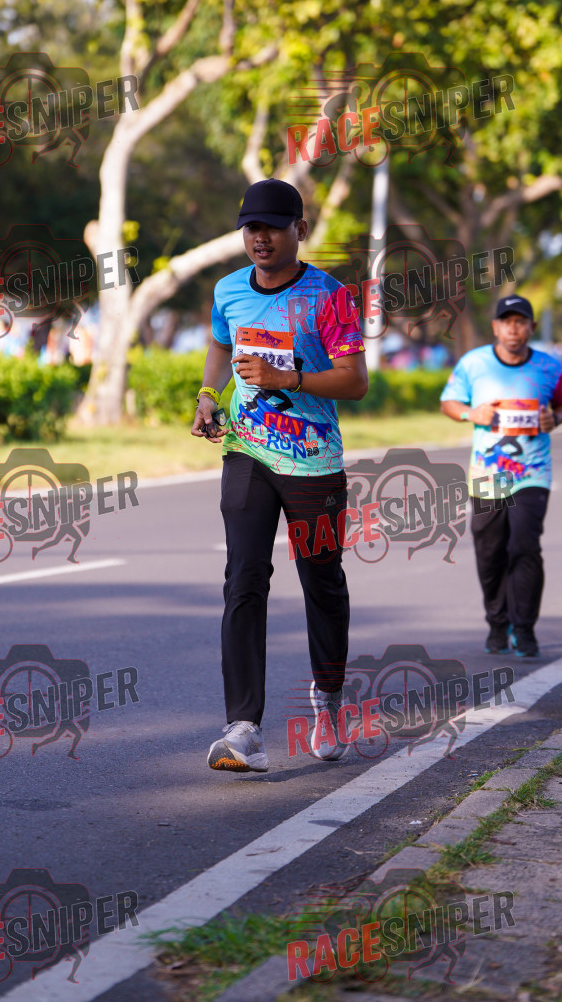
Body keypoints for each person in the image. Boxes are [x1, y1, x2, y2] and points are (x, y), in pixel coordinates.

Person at [192, 178, 368, 772]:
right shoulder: (228, 290)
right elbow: (221, 345)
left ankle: (329, 699)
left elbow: (355, 381)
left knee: (322, 580)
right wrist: (208, 395)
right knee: (244, 578)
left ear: (301, 229)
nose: (259, 237)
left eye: (272, 226)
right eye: (251, 228)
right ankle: (243, 728)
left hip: (314, 460)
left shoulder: (330, 297)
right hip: (247, 451)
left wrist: (285, 380)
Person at [440, 295, 562, 658]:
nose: (513, 329)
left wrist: (555, 418)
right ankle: (498, 624)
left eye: (520, 322)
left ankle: (525, 628)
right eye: (507, 321)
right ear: (496, 327)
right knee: (490, 550)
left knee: (524, 546)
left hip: (533, 471)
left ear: (532, 327)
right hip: (488, 473)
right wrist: (471, 414)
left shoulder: (549, 366)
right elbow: (449, 403)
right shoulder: (474, 363)